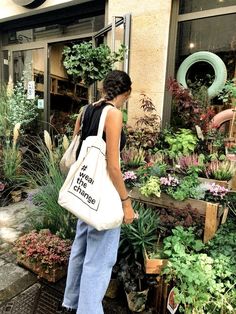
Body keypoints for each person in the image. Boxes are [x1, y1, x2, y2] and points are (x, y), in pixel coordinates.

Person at [59, 70, 136, 314]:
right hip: (103, 193)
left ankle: (70, 303)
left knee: (80, 249)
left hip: (85, 192)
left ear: (104, 88)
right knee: (100, 260)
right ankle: (89, 310)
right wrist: (125, 202)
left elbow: (77, 150)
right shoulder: (113, 114)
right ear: (127, 92)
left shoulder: (85, 111)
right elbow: (113, 164)